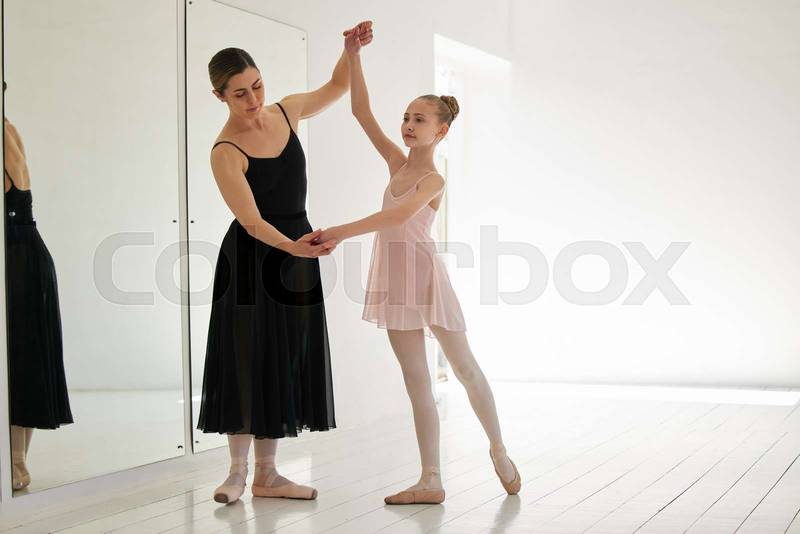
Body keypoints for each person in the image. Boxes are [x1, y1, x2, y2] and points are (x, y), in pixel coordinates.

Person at [312, 23, 521, 505]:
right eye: (406, 117)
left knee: (465, 368)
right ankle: (431, 479)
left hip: (425, 278)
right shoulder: (397, 164)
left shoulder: (433, 179)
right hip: (393, 280)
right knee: (415, 381)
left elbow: (396, 216)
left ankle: (498, 448)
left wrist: (338, 231)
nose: (408, 125)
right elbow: (361, 112)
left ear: (440, 131)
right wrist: (351, 54)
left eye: (420, 119)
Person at [196, 21, 374, 504]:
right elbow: (252, 221)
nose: (253, 99)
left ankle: (268, 475)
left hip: (296, 253)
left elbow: (336, 86)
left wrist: (350, 51)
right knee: (245, 357)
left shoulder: (287, 110)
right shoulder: (224, 151)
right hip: (252, 257)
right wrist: (294, 247)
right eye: (240, 93)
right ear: (220, 96)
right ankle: (236, 473)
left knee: (282, 357)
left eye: (257, 85)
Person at [4, 81, 74, 491]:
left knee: (21, 357)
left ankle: (16, 462)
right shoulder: (9, 128)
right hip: (24, 253)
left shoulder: (4, 134)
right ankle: (16, 462)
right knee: (21, 356)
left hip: (17, 258)